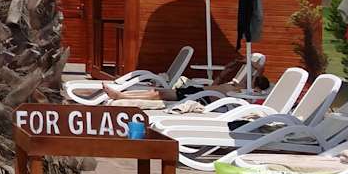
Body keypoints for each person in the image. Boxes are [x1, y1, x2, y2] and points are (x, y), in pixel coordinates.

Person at [101, 53, 267, 103]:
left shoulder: (243, 91)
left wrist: (249, 63)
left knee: (159, 95)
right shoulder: (234, 84)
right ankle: (121, 95)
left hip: (200, 97)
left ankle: (121, 96)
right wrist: (233, 65)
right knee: (157, 92)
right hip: (199, 91)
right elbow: (218, 80)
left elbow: (260, 70)